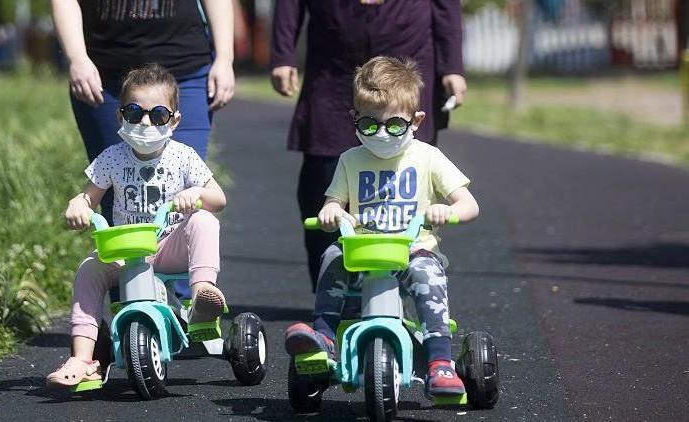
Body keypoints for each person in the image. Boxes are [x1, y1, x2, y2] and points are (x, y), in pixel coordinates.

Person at [283, 57, 479, 396]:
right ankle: (324, 338)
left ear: (416, 120)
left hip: (412, 250)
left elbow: (469, 204)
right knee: (331, 255)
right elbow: (333, 203)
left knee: (427, 276)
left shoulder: (427, 157)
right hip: (362, 251)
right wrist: (332, 212)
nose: (383, 133)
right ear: (355, 119)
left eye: (395, 125)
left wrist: (447, 211)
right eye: (371, 126)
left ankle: (439, 362)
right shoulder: (350, 160)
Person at [46, 64, 227, 388]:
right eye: (134, 112)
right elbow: (88, 197)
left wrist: (196, 194)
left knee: (203, 219)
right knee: (89, 268)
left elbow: (219, 198)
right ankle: (84, 358)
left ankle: (201, 298)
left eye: (157, 115)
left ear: (174, 120)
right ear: (120, 117)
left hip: (168, 245)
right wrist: (78, 205)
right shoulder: (111, 157)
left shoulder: (183, 157)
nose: (145, 122)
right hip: (127, 251)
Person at [270, 0, 468, 291]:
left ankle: (404, 287)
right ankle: (336, 296)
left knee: (408, 173)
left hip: (408, 50)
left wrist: (452, 65)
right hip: (334, 59)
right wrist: (283, 52)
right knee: (322, 178)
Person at [51, 0, 234, 224]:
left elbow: (215, 198)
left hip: (186, 66)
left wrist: (225, 58)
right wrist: (77, 58)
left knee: (189, 196)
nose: (147, 124)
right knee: (116, 195)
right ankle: (128, 257)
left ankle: (181, 258)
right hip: (103, 74)